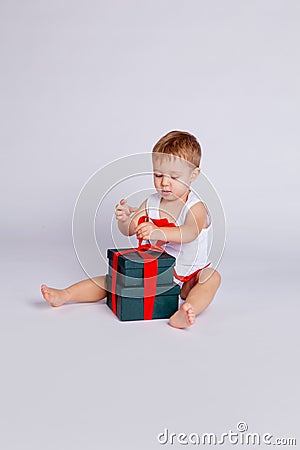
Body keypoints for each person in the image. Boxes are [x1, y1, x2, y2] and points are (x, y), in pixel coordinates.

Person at [41, 130, 221, 329]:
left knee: (211, 277)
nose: (164, 182)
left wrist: (158, 232)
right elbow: (129, 230)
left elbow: (189, 232)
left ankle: (188, 310)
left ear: (193, 175)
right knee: (112, 281)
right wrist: (125, 219)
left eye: (174, 177)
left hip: (189, 276)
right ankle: (66, 295)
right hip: (156, 272)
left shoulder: (195, 207)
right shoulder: (152, 201)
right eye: (158, 174)